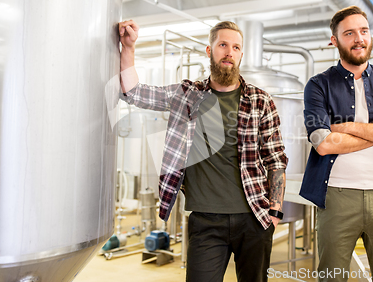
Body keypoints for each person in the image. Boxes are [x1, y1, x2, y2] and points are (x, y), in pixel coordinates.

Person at [118, 20, 287, 282]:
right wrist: (128, 47)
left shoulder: (260, 100)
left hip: (253, 218)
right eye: (222, 45)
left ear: (241, 54)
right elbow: (134, 93)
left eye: (235, 47)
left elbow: (275, 159)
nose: (229, 52)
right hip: (205, 221)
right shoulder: (187, 95)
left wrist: (274, 212)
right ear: (210, 51)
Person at [300, 6, 373, 281]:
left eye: (364, 31)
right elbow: (323, 144)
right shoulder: (318, 85)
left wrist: (349, 128)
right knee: (332, 277)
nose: (359, 39)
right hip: (336, 196)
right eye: (349, 33)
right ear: (335, 40)